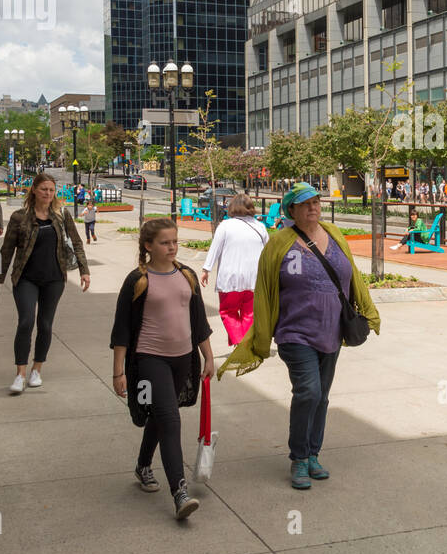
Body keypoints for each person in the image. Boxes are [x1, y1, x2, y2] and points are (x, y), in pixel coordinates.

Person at [218, 182, 380, 490]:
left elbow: (353, 276)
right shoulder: (279, 243)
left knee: (322, 396)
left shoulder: (334, 235)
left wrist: (367, 310)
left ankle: (313, 453)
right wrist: (263, 333)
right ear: (291, 210)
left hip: (332, 331)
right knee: (309, 391)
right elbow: (265, 290)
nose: (313, 207)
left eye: (316, 201)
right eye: (305, 203)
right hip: (294, 332)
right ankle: (299, 458)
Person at [111, 217, 214, 520]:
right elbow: (121, 331)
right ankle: (180, 492)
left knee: (161, 415)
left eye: (175, 241)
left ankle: (144, 465)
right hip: (149, 360)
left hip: (183, 358)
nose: (172, 247)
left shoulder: (188, 275)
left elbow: (199, 323)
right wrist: (119, 372)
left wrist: (209, 357)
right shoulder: (137, 280)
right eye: (165, 242)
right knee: (169, 419)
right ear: (148, 246)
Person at [0, 173, 90, 394]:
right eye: (44, 189)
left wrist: (84, 270)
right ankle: (20, 374)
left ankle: (37, 369)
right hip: (26, 278)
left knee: (45, 325)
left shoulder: (61, 215)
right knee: (26, 322)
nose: (48, 193)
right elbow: (5, 252)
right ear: (34, 189)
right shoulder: (19, 217)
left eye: (51, 190)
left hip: (54, 279)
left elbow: (77, 242)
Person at [201, 193, 267, 347]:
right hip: (254, 278)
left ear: (232, 207)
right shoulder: (260, 226)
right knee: (250, 313)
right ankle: (247, 343)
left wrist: (206, 269)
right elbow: (268, 252)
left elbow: (215, 249)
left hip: (230, 277)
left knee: (228, 311)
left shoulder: (225, 226)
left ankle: (239, 341)